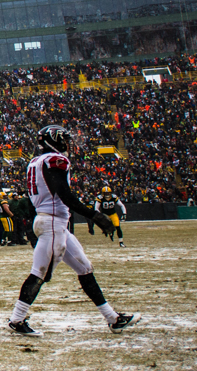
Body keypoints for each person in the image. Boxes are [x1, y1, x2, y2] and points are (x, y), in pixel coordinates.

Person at [8, 126, 139, 336]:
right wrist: (94, 215)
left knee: (84, 268)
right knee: (40, 273)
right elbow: (65, 195)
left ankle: (113, 318)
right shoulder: (54, 160)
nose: (66, 143)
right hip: (52, 223)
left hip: (52, 222)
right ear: (54, 140)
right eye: (64, 139)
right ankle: (17, 319)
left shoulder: (35, 162)